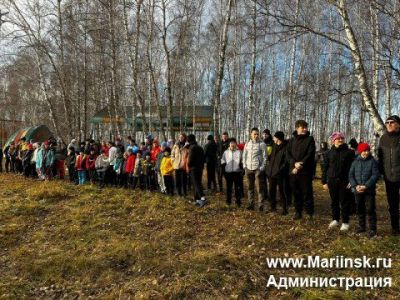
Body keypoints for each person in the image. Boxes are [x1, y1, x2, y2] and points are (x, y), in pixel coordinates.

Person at [322, 132, 355, 231]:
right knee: (334, 201)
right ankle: (335, 219)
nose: (340, 140)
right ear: (333, 140)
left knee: (344, 202)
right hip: (332, 180)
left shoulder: (349, 152)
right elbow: (325, 167)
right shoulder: (328, 153)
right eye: (338, 138)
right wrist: (324, 181)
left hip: (345, 181)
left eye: (342, 138)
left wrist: (352, 180)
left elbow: (353, 168)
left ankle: (345, 222)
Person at [286, 120, 316, 220]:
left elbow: (310, 154)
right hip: (293, 171)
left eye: (305, 127)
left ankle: (309, 213)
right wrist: (294, 163)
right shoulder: (291, 140)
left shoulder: (310, 139)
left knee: (307, 193)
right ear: (297, 128)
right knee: (296, 192)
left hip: (305, 171)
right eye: (302, 127)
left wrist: (300, 164)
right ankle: (298, 212)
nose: (304, 129)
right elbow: (288, 154)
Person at [349, 143, 380, 237]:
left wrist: (366, 186)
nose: (366, 153)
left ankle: (372, 229)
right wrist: (355, 186)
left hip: (369, 190)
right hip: (357, 190)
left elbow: (375, 175)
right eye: (364, 151)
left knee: (370, 209)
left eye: (367, 151)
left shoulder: (373, 161)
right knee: (359, 208)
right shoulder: (355, 162)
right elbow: (351, 175)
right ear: (360, 151)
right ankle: (361, 227)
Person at [378, 115, 400, 235]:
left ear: (398, 124)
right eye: (387, 122)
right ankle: (395, 228)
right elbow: (380, 157)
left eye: (392, 122)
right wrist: (380, 172)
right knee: (393, 203)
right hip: (389, 177)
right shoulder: (383, 139)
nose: (389, 124)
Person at [243, 127, 267, 211]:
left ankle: (261, 205)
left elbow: (265, 157)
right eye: (254, 134)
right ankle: (251, 204)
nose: (256, 135)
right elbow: (244, 155)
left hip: (258, 169)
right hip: (249, 168)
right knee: (250, 187)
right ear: (251, 134)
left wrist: (262, 168)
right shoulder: (247, 144)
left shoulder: (262, 144)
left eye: (257, 134)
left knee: (259, 187)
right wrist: (244, 166)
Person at [266, 131, 289, 215]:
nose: (273, 138)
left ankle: (284, 209)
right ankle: (273, 208)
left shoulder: (286, 147)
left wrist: (279, 170)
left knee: (282, 191)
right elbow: (271, 158)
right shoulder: (274, 146)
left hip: (280, 174)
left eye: (274, 137)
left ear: (278, 138)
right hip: (271, 173)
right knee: (271, 191)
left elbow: (286, 162)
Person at [221, 138, 243, 207]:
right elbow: (223, 162)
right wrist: (224, 172)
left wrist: (242, 170)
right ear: (229, 144)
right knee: (229, 188)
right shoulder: (226, 152)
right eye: (231, 143)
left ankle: (238, 202)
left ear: (236, 143)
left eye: (234, 143)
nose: (232, 144)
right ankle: (228, 201)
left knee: (237, 188)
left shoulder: (239, 152)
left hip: (237, 173)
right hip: (229, 173)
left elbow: (242, 162)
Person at [187, 134, 207, 207]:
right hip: (200, 168)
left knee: (196, 184)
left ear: (189, 140)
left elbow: (190, 159)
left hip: (194, 168)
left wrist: (188, 166)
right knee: (197, 183)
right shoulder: (200, 147)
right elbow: (204, 159)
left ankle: (203, 198)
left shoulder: (192, 148)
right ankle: (197, 200)